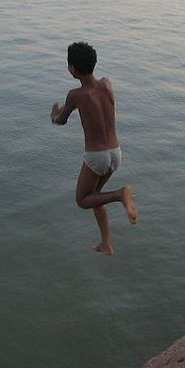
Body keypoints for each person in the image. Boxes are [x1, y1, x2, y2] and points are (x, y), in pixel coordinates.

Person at [51, 42, 138, 255]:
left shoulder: (75, 95)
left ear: (72, 68)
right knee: (96, 195)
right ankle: (106, 242)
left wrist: (55, 113)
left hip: (96, 156)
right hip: (115, 153)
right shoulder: (106, 84)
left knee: (82, 200)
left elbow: (61, 120)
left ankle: (120, 194)